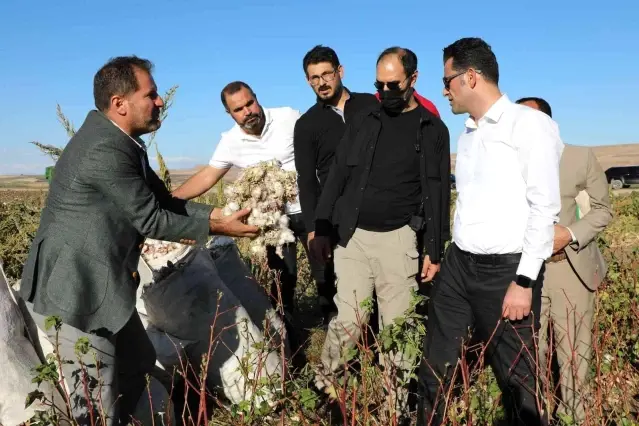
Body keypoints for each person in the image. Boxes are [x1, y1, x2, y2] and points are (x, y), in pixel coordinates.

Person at [19, 56, 259, 425]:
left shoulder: (121, 140)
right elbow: (149, 218)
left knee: (137, 364)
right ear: (120, 104)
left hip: (105, 285)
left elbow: (161, 200)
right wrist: (220, 229)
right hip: (77, 290)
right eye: (152, 94)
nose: (160, 101)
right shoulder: (105, 148)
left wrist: (216, 216)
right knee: (95, 398)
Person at [417, 38, 563, 426]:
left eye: (447, 80)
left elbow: (544, 207)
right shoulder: (468, 133)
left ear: (470, 77)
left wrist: (524, 280)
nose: (443, 89)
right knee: (435, 365)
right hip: (459, 264)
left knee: (516, 376)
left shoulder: (530, 125)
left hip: (506, 272)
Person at [310, 46, 451, 418]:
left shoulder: (432, 128)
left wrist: (434, 250)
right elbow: (338, 173)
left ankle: (398, 405)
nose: (385, 92)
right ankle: (325, 393)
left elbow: (438, 193)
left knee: (399, 325)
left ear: (413, 80)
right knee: (350, 319)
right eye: (379, 85)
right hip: (352, 236)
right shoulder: (365, 118)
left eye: (394, 85)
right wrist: (322, 227)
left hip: (399, 238)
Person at [172, 82, 304, 318]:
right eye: (238, 109)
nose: (247, 112)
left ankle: (335, 325)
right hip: (273, 221)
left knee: (325, 267)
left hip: (308, 209)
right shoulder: (230, 141)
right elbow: (208, 175)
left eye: (250, 103)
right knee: (282, 278)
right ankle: (287, 335)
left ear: (256, 97)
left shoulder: (288, 117)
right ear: (229, 113)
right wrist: (170, 198)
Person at [517, 96, 612, 422]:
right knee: (529, 353)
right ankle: (536, 416)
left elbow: (603, 210)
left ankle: (575, 416)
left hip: (571, 269)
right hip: (527, 274)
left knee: (575, 355)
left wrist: (569, 233)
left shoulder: (579, 156)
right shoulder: (508, 164)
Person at [293, 45, 379, 325]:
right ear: (308, 81)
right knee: (338, 289)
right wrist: (314, 228)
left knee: (382, 285)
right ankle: (347, 358)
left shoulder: (371, 105)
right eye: (314, 78)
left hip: (379, 209)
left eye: (326, 74)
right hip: (338, 217)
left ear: (340, 72)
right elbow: (306, 180)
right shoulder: (307, 124)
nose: (321, 82)